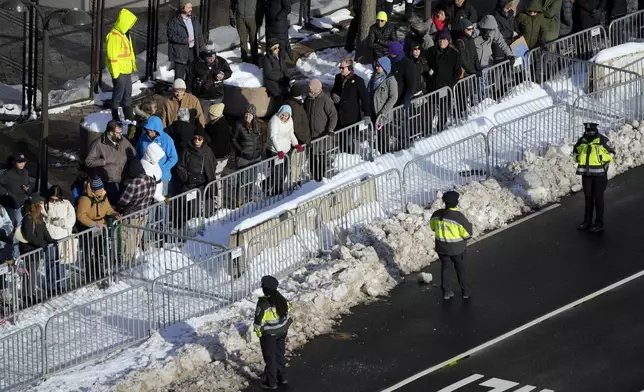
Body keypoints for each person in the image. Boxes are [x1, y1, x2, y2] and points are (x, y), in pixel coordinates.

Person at [430, 190, 473, 300]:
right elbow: (467, 235)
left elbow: (433, 227)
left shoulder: (436, 214)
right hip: (457, 250)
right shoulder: (458, 217)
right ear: (456, 203)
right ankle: (465, 292)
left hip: (441, 248)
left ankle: (447, 292)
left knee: (446, 269)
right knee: (460, 270)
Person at [76, 177, 119, 285]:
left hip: (100, 227)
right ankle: (89, 274)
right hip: (88, 228)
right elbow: (81, 216)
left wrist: (113, 213)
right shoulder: (85, 199)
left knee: (99, 250)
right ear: (93, 190)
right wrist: (93, 224)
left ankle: (98, 271)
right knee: (88, 252)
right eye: (99, 189)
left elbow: (107, 208)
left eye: (102, 188)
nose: (101, 191)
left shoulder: (103, 196)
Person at [573, 122, 614, 233]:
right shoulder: (582, 140)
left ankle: (599, 223)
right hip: (586, 175)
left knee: (598, 198)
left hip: (600, 174)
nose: (589, 133)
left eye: (591, 131)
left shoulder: (602, 140)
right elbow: (575, 152)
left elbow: (612, 153)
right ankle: (587, 221)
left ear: (595, 130)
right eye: (587, 131)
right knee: (588, 198)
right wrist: (577, 158)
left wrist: (602, 158)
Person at [19, 195, 63, 300]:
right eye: (40, 203)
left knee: (33, 271)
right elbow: (29, 235)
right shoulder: (28, 217)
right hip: (29, 249)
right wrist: (40, 243)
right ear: (36, 205)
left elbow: (44, 230)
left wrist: (50, 240)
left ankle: (31, 293)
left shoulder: (39, 216)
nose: (42, 205)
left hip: (37, 249)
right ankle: (27, 295)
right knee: (30, 272)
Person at [253, 275, 292, 390]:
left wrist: (260, 335)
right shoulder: (281, 299)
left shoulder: (263, 303)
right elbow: (287, 312)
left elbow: (258, 322)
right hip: (282, 331)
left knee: (270, 358)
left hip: (269, 335)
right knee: (279, 354)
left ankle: (272, 382)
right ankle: (283, 377)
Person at [85, 120, 136, 206]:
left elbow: (133, 152)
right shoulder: (98, 144)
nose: (121, 134)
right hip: (109, 181)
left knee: (123, 202)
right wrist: (103, 161)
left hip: (123, 179)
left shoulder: (123, 140)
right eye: (118, 133)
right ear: (110, 132)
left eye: (121, 132)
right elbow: (88, 162)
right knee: (112, 204)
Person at [425, 30, 462, 132]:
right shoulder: (430, 51)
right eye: (440, 39)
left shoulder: (454, 54)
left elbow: (458, 71)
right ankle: (427, 132)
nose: (442, 42)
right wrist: (428, 76)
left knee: (444, 111)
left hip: (445, 87)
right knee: (429, 113)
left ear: (448, 41)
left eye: (444, 39)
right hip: (432, 86)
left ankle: (441, 130)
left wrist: (450, 83)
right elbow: (425, 65)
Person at [105, 8, 137, 122]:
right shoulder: (114, 36)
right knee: (118, 94)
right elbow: (112, 57)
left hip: (126, 70)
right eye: (130, 24)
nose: (131, 26)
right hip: (119, 71)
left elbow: (129, 52)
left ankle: (128, 114)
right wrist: (116, 74)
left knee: (127, 93)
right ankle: (115, 116)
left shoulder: (124, 34)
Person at [136, 116, 179, 196]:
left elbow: (174, 157)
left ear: (157, 129)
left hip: (162, 177)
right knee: (148, 201)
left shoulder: (167, 139)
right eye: (147, 130)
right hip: (146, 176)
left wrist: (161, 169)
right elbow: (138, 153)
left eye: (151, 130)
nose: (149, 132)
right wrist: (139, 167)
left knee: (161, 202)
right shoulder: (143, 137)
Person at [305, 80, 338, 181]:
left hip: (322, 136)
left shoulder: (325, 100)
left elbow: (333, 115)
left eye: (310, 88)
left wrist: (330, 128)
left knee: (322, 158)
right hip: (311, 136)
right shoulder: (308, 99)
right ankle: (315, 178)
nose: (308, 90)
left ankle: (321, 178)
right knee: (312, 158)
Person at [167, 0, 204, 90]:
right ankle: (177, 95)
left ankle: (188, 95)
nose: (190, 9)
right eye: (188, 7)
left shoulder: (194, 19)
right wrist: (185, 40)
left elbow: (199, 34)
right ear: (182, 8)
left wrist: (201, 47)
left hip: (192, 51)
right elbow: (171, 36)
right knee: (179, 77)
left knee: (191, 75)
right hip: (180, 52)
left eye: (191, 7)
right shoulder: (174, 22)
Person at [231, 105, 264, 205]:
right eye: (246, 114)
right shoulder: (239, 125)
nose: (247, 117)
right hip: (243, 158)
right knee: (242, 180)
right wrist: (241, 150)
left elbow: (261, 139)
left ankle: (249, 197)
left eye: (250, 114)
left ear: (253, 116)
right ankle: (240, 200)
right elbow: (233, 139)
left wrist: (260, 150)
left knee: (252, 178)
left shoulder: (258, 125)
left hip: (255, 157)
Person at [0, 152, 31, 252]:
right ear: (14, 162)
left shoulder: (25, 172)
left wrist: (27, 188)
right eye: (19, 162)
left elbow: (28, 184)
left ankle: (20, 250)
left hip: (21, 204)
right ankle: (11, 253)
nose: (22, 164)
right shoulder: (8, 174)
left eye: (23, 162)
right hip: (11, 205)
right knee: (11, 229)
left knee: (20, 228)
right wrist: (6, 193)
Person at [175, 127, 219, 194]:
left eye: (199, 138)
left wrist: (209, 173)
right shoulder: (186, 150)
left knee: (206, 202)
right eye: (195, 138)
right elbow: (180, 166)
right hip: (191, 185)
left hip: (206, 184)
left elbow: (214, 163)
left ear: (203, 139)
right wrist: (187, 178)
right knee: (192, 204)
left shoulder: (207, 150)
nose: (197, 140)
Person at [330, 59, 371, 130]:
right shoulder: (338, 77)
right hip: (339, 114)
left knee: (349, 138)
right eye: (340, 67)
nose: (341, 70)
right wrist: (334, 94)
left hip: (351, 117)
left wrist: (367, 114)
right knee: (341, 138)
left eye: (342, 68)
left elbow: (365, 99)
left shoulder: (358, 81)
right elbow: (334, 89)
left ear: (349, 68)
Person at [42, 186, 77, 267]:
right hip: (50, 238)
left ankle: (61, 280)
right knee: (50, 262)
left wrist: (62, 222)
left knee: (62, 263)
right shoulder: (45, 204)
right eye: (52, 199)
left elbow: (72, 219)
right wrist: (48, 220)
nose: (54, 201)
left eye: (56, 199)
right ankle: (50, 279)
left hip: (63, 237)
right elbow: (42, 219)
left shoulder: (66, 204)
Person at [369, 57, 398, 154]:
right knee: (376, 136)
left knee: (384, 136)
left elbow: (393, 97)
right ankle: (377, 152)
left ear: (385, 67)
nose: (377, 68)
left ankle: (385, 154)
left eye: (379, 66)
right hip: (374, 111)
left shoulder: (390, 80)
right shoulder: (373, 77)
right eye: (376, 65)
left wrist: (383, 112)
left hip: (383, 114)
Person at [193, 46, 233, 114]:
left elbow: (229, 72)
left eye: (213, 56)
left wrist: (224, 75)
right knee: (204, 119)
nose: (212, 59)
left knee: (216, 118)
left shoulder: (221, 61)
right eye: (209, 57)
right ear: (205, 56)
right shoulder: (196, 63)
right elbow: (190, 78)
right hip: (203, 97)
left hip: (217, 96)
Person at [388, 40, 417, 109]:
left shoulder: (408, 65)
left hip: (401, 100)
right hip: (390, 98)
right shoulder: (390, 61)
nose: (388, 53)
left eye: (390, 52)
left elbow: (411, 84)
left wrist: (407, 97)